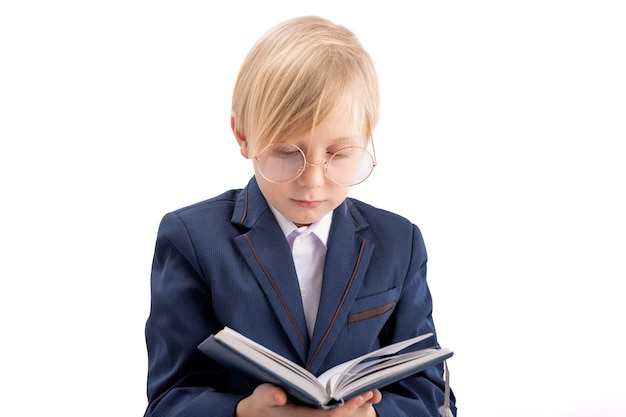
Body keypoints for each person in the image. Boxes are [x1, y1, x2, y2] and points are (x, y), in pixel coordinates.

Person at [144, 15, 456, 417]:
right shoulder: (191, 238)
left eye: (339, 155)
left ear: (366, 137)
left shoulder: (400, 242)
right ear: (244, 135)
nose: (312, 180)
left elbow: (435, 396)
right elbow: (168, 401)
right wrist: (245, 413)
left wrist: (373, 415)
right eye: (288, 152)